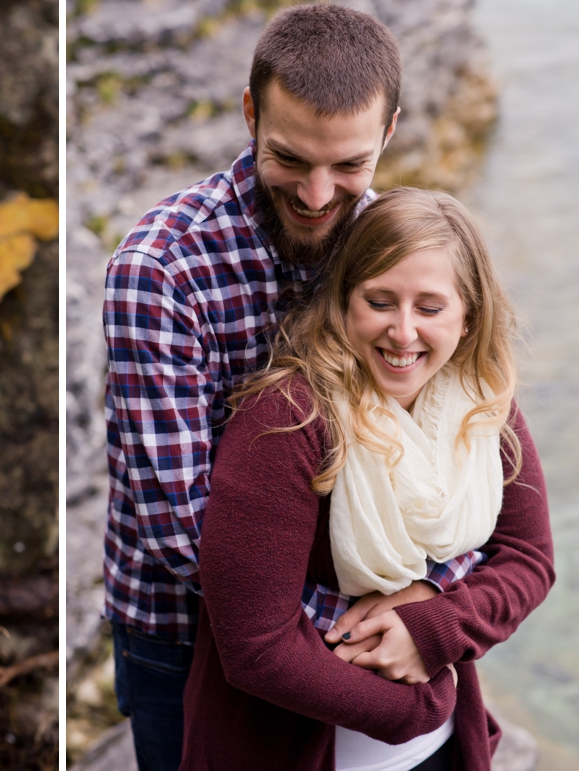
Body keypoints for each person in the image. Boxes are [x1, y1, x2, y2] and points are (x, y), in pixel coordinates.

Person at [99, 7, 485, 769]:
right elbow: (186, 528)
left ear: (390, 132)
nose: (315, 195)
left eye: (348, 165)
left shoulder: (392, 250)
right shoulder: (160, 271)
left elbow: (460, 440)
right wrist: (360, 625)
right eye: (289, 158)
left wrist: (430, 594)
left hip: (355, 612)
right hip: (183, 633)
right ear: (250, 112)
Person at [183, 188, 554, 769]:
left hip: (440, 751)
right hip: (293, 748)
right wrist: (420, 708)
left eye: (430, 308)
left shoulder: (484, 407)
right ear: (343, 303)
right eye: (380, 301)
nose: (403, 333)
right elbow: (256, 649)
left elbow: (528, 559)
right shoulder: (287, 420)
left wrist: (433, 622)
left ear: (469, 315)